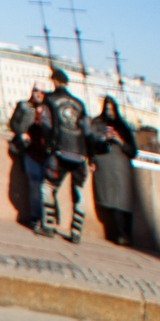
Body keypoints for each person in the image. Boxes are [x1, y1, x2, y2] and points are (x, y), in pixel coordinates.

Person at [44, 67, 91, 242]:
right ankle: (76, 232)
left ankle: (48, 225)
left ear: (55, 81)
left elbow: (46, 124)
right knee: (79, 193)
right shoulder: (80, 104)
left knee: (47, 186)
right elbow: (87, 131)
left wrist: (50, 145)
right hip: (79, 155)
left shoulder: (50, 100)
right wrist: (89, 155)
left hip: (60, 151)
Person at [90, 96, 141, 245]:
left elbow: (132, 151)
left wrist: (120, 140)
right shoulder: (97, 123)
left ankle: (125, 235)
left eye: (111, 109)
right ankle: (115, 234)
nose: (109, 112)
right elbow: (91, 143)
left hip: (122, 171)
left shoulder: (123, 127)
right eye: (107, 109)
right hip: (105, 169)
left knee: (122, 204)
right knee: (108, 202)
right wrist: (103, 139)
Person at [7, 86, 52, 231]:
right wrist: (22, 134)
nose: (39, 94)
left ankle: (45, 218)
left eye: (42, 92)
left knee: (44, 186)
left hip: (43, 151)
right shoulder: (24, 106)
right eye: (37, 90)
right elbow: (13, 123)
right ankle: (35, 217)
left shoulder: (47, 110)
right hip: (26, 150)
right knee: (34, 185)